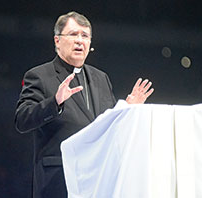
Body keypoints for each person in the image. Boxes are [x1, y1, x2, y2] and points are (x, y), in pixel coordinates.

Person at [15, 11, 154, 198]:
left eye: (85, 36)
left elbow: (107, 126)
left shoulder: (101, 78)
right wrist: (55, 102)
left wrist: (125, 109)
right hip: (58, 181)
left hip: (97, 181)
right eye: (73, 34)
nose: (80, 40)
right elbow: (22, 120)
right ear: (57, 40)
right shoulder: (39, 76)